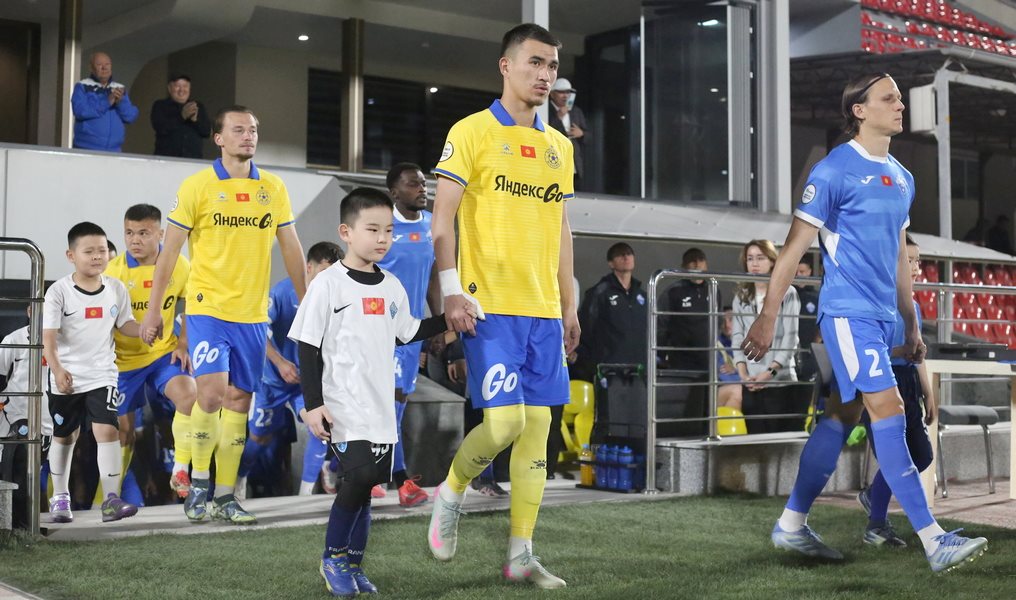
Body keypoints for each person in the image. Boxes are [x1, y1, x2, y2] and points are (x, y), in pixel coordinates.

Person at [742, 72, 987, 572]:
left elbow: (899, 257)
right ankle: (933, 539)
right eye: (889, 98)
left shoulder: (902, 176)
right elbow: (793, 250)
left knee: (842, 415)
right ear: (859, 110)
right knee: (889, 408)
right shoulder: (833, 170)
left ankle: (791, 525)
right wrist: (768, 316)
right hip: (848, 313)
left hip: (882, 319)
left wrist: (911, 324)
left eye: (898, 98)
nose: (900, 105)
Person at [427, 23, 577, 589]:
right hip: (488, 306)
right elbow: (442, 221)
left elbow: (562, 230)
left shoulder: (560, 145)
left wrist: (569, 303)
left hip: (544, 309)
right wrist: (451, 288)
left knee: (538, 428)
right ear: (506, 65)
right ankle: (451, 490)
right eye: (535, 62)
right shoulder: (471, 131)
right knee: (506, 422)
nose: (545, 75)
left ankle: (521, 553)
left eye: (552, 66)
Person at [289, 187, 469, 597]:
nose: (383, 238)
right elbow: (307, 346)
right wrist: (313, 405)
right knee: (359, 478)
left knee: (368, 489)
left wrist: (450, 317)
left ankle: (354, 565)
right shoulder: (327, 284)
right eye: (372, 229)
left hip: (380, 407)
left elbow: (409, 331)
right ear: (346, 232)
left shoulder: (391, 286)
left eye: (388, 230)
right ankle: (333, 558)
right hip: (342, 405)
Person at [140, 105, 308, 524]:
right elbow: (169, 253)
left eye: (253, 130)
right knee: (211, 394)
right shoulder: (197, 186)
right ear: (218, 138)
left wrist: (307, 300)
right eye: (238, 130)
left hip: (252, 315)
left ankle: (226, 495)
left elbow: (291, 247)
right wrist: (155, 310)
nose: (248, 136)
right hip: (207, 309)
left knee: (238, 402)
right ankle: (199, 482)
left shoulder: (273, 187)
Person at [43, 222, 141, 523]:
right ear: (71, 255)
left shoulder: (116, 288)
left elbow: (125, 324)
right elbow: (48, 338)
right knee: (65, 436)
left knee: (108, 430)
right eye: (89, 251)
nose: (97, 256)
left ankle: (111, 499)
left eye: (102, 250)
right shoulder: (58, 291)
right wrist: (58, 370)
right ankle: (60, 497)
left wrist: (145, 329)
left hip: (103, 374)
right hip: (67, 378)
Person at [238, 241, 343, 498]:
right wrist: (280, 362)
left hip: (305, 383)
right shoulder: (282, 293)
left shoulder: (336, 298)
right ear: (308, 268)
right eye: (323, 272)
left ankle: (305, 496)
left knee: (320, 428)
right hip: (271, 381)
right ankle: (240, 478)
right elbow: (257, 331)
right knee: (260, 438)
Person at [857, 234, 938, 547]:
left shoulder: (912, 304)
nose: (916, 268)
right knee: (898, 460)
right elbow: (869, 352)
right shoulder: (874, 302)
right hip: (881, 384)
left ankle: (872, 495)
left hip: (908, 384)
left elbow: (917, 352)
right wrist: (902, 351)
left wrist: (928, 392)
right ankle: (876, 525)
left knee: (923, 455)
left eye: (918, 261)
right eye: (909, 260)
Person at [375, 162, 443, 507]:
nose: (422, 188)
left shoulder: (432, 225)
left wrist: (439, 323)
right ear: (394, 192)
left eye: (423, 183)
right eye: (413, 184)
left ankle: (362, 467)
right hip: (381, 331)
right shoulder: (382, 227)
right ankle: (402, 481)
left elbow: (433, 276)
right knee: (390, 403)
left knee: (397, 404)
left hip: (413, 333)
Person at [730, 239, 800, 434]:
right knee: (755, 441)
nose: (754, 263)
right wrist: (743, 374)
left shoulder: (788, 293)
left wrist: (769, 373)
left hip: (780, 382)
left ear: (771, 261)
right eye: (750, 258)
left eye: (760, 258)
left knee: (780, 442)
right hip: (751, 383)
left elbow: (790, 340)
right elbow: (737, 337)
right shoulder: (741, 296)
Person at [663, 248, 721, 372]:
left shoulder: (713, 289)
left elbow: (718, 321)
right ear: (684, 266)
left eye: (701, 260)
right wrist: (662, 354)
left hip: (707, 358)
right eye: (692, 260)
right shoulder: (673, 291)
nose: (697, 264)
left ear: (706, 264)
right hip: (681, 360)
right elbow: (661, 324)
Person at [71, 52, 139, 152]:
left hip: (114, 151)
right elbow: (80, 111)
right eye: (99, 64)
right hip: (86, 149)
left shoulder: (119, 88)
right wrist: (106, 102)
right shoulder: (82, 86)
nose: (104, 68)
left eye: (107, 64)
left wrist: (121, 103)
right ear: (91, 68)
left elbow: (130, 117)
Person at [151, 74, 211, 159]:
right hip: (166, 160)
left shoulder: (198, 106)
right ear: (169, 88)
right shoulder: (160, 105)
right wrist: (182, 116)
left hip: (193, 161)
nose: (181, 90)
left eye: (185, 86)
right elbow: (161, 128)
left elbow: (207, 132)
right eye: (177, 86)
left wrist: (195, 121)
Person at [548, 78, 589, 191]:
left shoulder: (576, 111)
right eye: (561, 92)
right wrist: (558, 117)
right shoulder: (545, 109)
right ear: (552, 94)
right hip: (553, 162)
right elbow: (544, 132)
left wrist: (581, 133)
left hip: (574, 164)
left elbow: (589, 136)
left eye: (568, 92)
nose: (565, 96)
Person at [795, 258, 821, 381]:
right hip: (789, 350)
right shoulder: (787, 295)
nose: (798, 275)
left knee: (808, 383)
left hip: (810, 351)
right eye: (796, 272)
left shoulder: (817, 297)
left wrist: (816, 343)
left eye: (802, 271)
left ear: (809, 271)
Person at [716, 306, 742, 410]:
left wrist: (736, 371)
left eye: (731, 320)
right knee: (738, 392)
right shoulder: (716, 344)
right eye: (723, 321)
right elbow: (723, 375)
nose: (727, 325)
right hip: (723, 388)